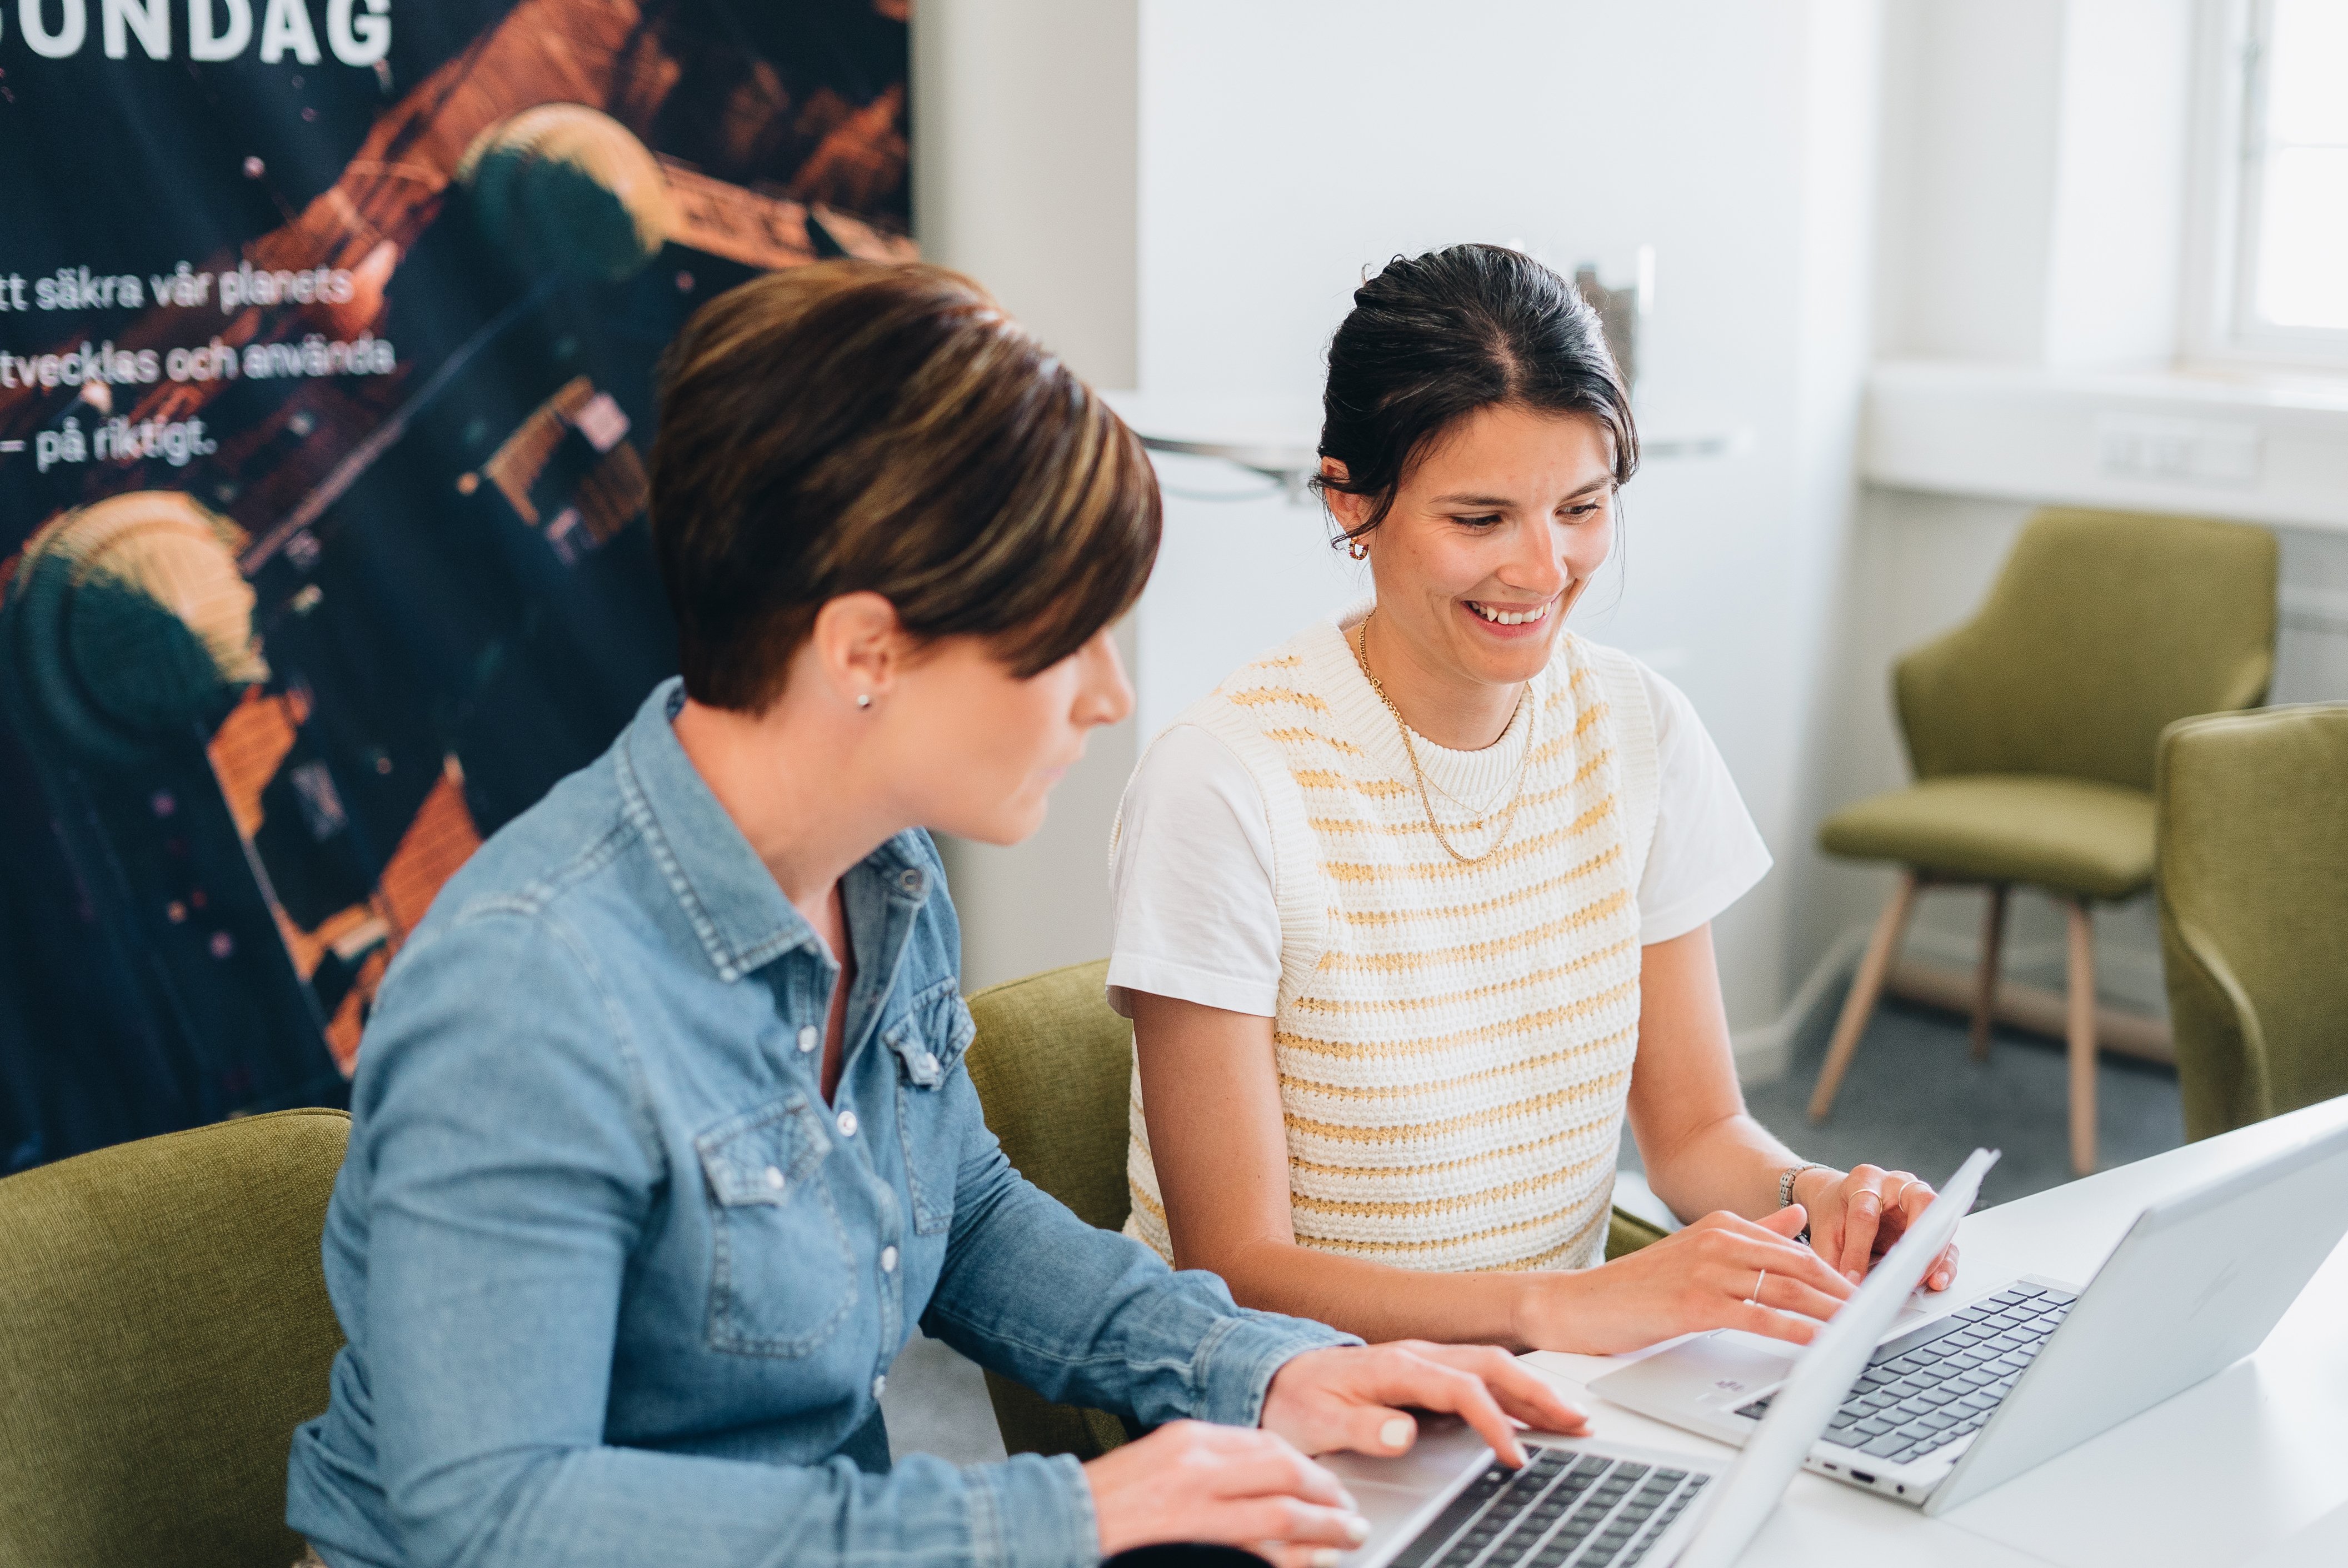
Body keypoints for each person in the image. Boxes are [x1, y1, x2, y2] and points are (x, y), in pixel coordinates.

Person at [284, 261, 1588, 1568]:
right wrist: (1058, 1514)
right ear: (865, 652)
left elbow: (955, 1210)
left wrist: (1259, 1371)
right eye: (1060, 640)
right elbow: (500, 1516)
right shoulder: (529, 993)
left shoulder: (881, 869)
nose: (1107, 696)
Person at [1108, 244, 1960, 1357]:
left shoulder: (1637, 726)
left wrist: (1815, 1190)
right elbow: (1240, 1267)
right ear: (1349, 497)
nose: (1543, 566)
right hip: (1300, 1405)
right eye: (1479, 519)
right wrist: (1554, 1308)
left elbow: (1697, 1131)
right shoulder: (1222, 780)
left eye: (1581, 506)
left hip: (1558, 1391)